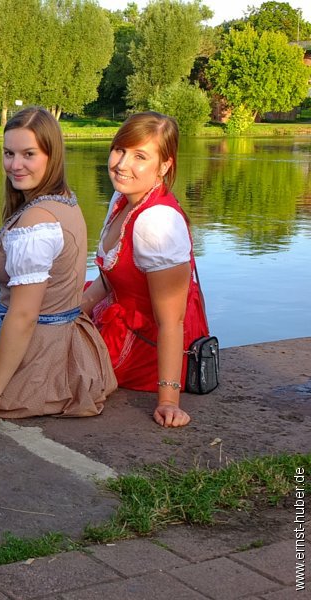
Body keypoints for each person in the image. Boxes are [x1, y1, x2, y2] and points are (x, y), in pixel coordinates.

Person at [0, 106, 117, 426]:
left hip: (37, 360)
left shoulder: (38, 221)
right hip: (61, 344)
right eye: (9, 153)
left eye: (28, 154)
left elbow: (24, 316)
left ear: (51, 155)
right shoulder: (61, 200)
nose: (15, 165)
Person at [81, 111, 209, 428]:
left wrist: (168, 401)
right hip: (120, 316)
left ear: (164, 165)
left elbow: (172, 322)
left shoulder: (158, 222)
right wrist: (74, 311)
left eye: (140, 156)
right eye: (119, 150)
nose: (122, 164)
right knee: (39, 316)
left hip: (148, 344)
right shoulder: (122, 198)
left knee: (57, 366)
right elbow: (111, 279)